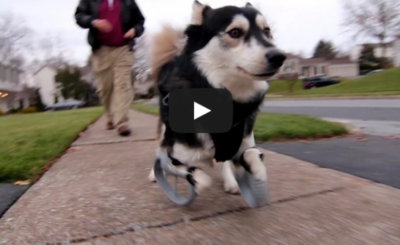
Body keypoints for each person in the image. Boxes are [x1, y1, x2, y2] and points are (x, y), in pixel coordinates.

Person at [74, 0, 145, 136]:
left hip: (123, 48)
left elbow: (140, 21)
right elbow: (79, 16)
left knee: (122, 84)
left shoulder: (128, 2)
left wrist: (134, 30)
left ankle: (121, 122)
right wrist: (94, 21)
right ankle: (110, 116)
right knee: (105, 88)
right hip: (101, 50)